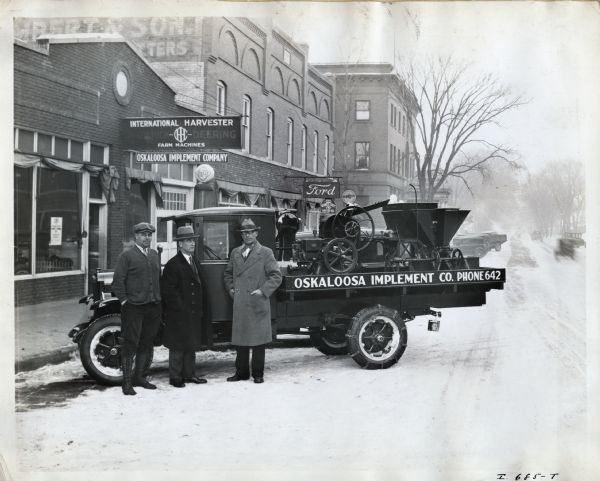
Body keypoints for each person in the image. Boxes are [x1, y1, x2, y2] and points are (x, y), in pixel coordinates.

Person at [223, 218, 282, 384]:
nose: (247, 235)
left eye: (250, 232)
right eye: (244, 233)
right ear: (241, 235)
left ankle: (258, 374)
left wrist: (262, 291)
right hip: (241, 302)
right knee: (241, 340)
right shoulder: (235, 252)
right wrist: (231, 288)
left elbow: (276, 276)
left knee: (258, 342)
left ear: (256, 233)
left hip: (257, 301)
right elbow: (228, 274)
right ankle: (241, 373)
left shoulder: (265, 252)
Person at [112, 222, 162, 396]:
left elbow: (158, 280)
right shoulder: (127, 256)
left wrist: (158, 300)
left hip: (152, 306)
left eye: (149, 235)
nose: (147, 237)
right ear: (136, 237)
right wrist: (125, 301)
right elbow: (118, 281)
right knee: (130, 343)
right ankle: (127, 383)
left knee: (146, 342)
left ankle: (140, 377)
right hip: (134, 307)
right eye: (143, 235)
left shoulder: (155, 255)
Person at [161, 225, 208, 388]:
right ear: (180, 244)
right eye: (188, 241)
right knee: (177, 345)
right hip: (179, 314)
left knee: (191, 343)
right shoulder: (172, 265)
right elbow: (170, 293)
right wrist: (181, 309)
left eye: (193, 240)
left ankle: (189, 375)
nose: (192, 244)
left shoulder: (194, 261)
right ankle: (175, 377)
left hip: (193, 312)